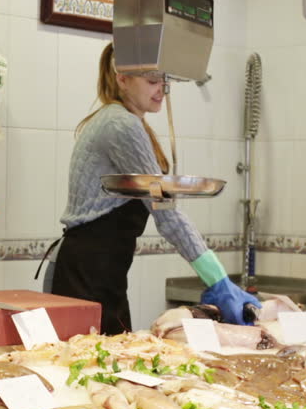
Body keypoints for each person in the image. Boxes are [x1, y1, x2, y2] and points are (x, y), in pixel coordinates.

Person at [48, 43, 259, 335]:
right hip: (87, 276)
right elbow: (166, 214)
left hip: (99, 272)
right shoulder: (121, 124)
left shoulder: (124, 119)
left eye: (164, 80)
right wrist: (217, 279)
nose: (161, 88)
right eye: (151, 80)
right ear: (122, 79)